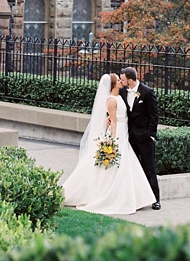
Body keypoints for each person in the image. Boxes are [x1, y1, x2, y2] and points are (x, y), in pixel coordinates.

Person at [62, 73, 156, 216]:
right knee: (119, 163)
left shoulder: (121, 94)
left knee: (129, 164)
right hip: (117, 133)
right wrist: (112, 139)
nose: (121, 81)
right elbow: (114, 121)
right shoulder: (111, 99)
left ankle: (137, 198)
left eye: (121, 79)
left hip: (126, 132)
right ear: (113, 84)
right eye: (118, 80)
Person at [119, 66, 161, 209]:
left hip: (144, 137)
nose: (121, 81)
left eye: (123, 79)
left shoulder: (147, 92)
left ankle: (156, 199)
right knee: (133, 169)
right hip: (129, 137)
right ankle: (137, 199)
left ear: (130, 80)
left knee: (149, 168)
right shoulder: (122, 91)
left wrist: (150, 134)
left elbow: (154, 115)